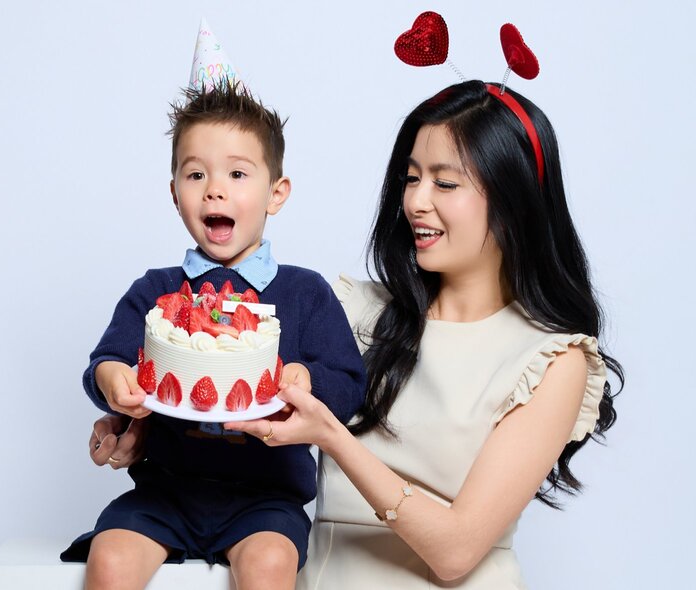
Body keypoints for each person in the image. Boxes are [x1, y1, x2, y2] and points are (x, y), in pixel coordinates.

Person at [96, 79, 623, 588]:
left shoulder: (551, 360)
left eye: (444, 182)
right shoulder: (359, 311)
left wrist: (332, 437)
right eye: (410, 178)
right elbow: (229, 372)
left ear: (514, 200)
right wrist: (142, 419)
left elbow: (456, 552)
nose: (416, 201)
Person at [62, 81, 366, 590]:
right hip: (163, 492)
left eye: (237, 173)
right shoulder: (157, 290)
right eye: (196, 173)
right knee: (110, 558)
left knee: (270, 564)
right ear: (174, 192)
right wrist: (116, 382)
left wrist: (306, 379)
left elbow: (351, 384)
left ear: (277, 193)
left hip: (266, 500)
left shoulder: (305, 292)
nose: (214, 189)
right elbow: (107, 361)